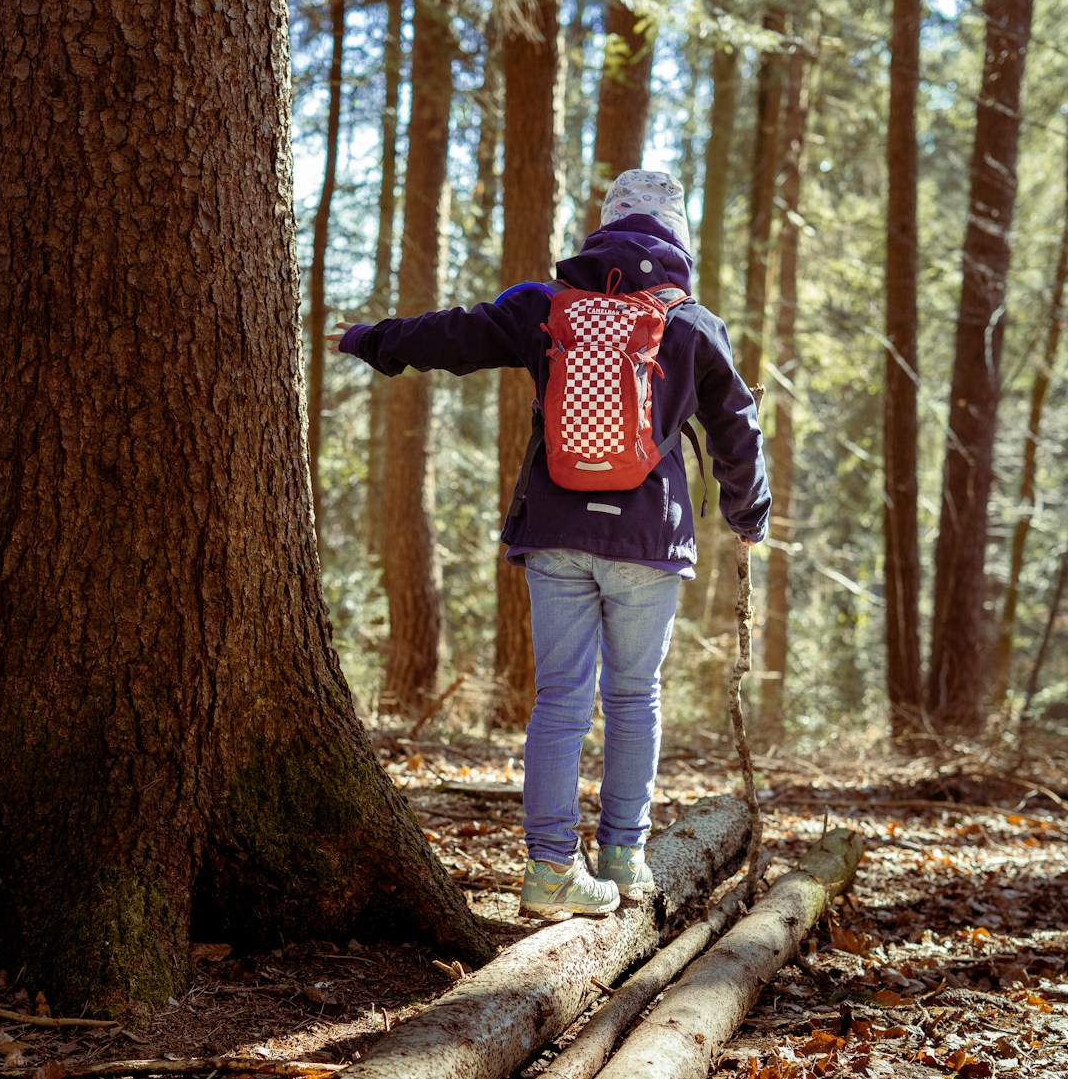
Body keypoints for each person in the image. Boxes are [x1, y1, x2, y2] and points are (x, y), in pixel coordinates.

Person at [330, 168, 770, 921]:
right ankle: (627, 858)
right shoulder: (694, 323)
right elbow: (737, 427)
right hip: (648, 539)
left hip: (555, 530)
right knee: (634, 696)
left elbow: (454, 334)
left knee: (561, 701)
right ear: (678, 238)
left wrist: (373, 341)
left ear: (603, 227)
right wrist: (747, 514)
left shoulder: (544, 305)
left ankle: (549, 871)